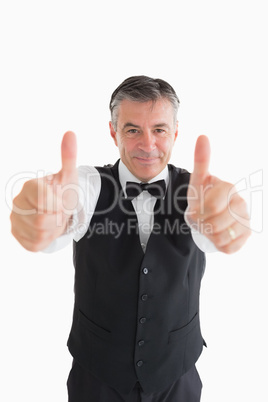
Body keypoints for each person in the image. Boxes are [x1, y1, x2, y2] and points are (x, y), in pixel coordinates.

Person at [10, 76, 251, 402]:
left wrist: (226, 222)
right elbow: (67, 205)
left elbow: (211, 226)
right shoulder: (88, 185)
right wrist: (43, 216)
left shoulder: (198, 193)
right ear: (113, 132)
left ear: (176, 132)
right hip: (96, 377)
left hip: (176, 374)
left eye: (160, 130)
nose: (148, 144)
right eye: (133, 129)